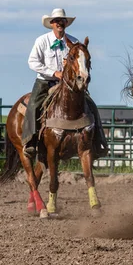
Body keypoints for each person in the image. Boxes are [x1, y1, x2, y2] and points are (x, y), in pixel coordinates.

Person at [22, 8, 109, 158]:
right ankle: (30, 142)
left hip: (68, 84)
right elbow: (32, 62)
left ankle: (99, 142)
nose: (59, 23)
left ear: (66, 23)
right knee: (33, 105)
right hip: (45, 81)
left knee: (91, 105)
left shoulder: (73, 42)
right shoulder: (42, 41)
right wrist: (53, 72)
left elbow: (79, 64)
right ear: (52, 24)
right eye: (56, 21)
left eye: (62, 21)